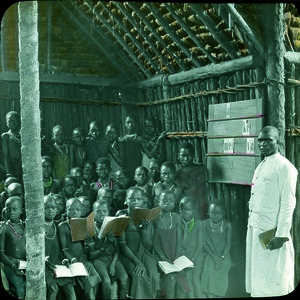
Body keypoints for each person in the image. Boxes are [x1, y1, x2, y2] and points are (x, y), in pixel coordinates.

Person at [245, 126, 298, 297]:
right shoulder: (262, 165)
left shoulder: (285, 167)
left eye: (268, 140)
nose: (263, 144)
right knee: (259, 276)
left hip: (272, 231)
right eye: (260, 140)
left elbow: (288, 203)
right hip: (256, 229)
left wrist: (281, 234)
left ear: (278, 141)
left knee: (275, 277)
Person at [116, 187, 160, 299]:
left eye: (139, 199)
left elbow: (148, 246)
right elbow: (122, 245)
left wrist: (143, 230)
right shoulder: (121, 214)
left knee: (154, 275)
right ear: (126, 200)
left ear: (142, 201)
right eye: (132, 198)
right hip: (126, 254)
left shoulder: (146, 217)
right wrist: (138, 263)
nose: (135, 201)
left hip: (142, 252)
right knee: (139, 276)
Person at [84, 200, 129, 299]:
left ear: (108, 212)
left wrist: (113, 263)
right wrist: (107, 243)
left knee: (124, 278)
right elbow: (91, 255)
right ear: (93, 213)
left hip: (113, 258)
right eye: (98, 211)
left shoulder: (113, 225)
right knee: (107, 282)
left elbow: (117, 248)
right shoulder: (90, 228)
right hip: (97, 260)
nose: (102, 214)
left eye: (104, 211)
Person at [58, 198, 101, 299]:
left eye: (77, 209)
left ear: (81, 211)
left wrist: (88, 245)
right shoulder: (63, 226)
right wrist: (73, 260)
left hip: (83, 260)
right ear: (66, 211)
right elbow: (64, 249)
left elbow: (87, 251)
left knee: (96, 277)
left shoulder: (84, 224)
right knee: (88, 285)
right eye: (71, 209)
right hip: (71, 260)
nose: (74, 212)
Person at [152, 190, 190, 298]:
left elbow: (179, 240)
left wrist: (177, 257)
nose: (168, 202)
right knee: (172, 278)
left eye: (171, 200)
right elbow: (154, 243)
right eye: (164, 200)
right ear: (158, 202)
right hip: (159, 256)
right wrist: (163, 257)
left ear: (174, 203)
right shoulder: (155, 219)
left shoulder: (177, 218)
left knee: (183, 277)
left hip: (174, 255)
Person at [43, 194, 76, 300]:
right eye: (46, 208)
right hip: (43, 264)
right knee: (53, 289)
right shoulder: (38, 227)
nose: (50, 210)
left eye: (53, 208)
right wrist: (45, 262)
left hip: (56, 263)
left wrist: (64, 260)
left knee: (70, 290)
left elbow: (58, 250)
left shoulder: (56, 226)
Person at [200, 200, 232, 297]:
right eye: (212, 213)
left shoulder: (227, 225)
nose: (215, 216)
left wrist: (222, 258)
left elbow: (228, 244)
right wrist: (214, 257)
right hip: (209, 254)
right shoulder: (204, 224)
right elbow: (204, 243)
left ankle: (219, 294)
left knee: (222, 268)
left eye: (218, 213)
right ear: (208, 212)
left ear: (224, 213)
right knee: (209, 267)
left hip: (224, 255)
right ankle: (210, 294)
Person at [0, 196, 26, 299]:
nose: (11, 212)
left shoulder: (24, 226)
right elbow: (1, 253)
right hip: (10, 263)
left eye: (14, 209)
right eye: (8, 209)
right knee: (21, 289)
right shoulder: (4, 229)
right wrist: (12, 266)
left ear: (21, 210)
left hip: (24, 263)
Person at [179, 196, 204, 298]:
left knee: (195, 280)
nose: (186, 212)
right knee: (187, 278)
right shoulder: (178, 222)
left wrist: (193, 259)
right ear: (179, 210)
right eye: (183, 209)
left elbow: (200, 244)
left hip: (196, 257)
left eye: (188, 210)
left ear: (193, 210)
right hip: (183, 256)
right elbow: (181, 245)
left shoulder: (198, 223)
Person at [175, 142, 208, 219]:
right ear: (178, 156)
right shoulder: (177, 173)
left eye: (188, 155)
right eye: (183, 156)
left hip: (200, 205)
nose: (186, 159)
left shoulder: (201, 169)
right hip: (185, 207)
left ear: (193, 155)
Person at [118, 114, 143, 185]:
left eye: (133, 122)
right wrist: (127, 137)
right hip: (126, 168)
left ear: (136, 124)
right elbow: (120, 139)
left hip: (137, 168)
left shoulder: (139, 138)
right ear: (124, 125)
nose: (130, 124)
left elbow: (137, 140)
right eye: (128, 122)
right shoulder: (122, 139)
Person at [1, 111, 22, 181]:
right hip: (12, 165)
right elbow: (6, 156)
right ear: (6, 123)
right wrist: (8, 172)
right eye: (10, 121)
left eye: (15, 120)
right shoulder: (6, 136)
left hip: (23, 164)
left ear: (19, 121)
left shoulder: (23, 135)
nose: (13, 123)